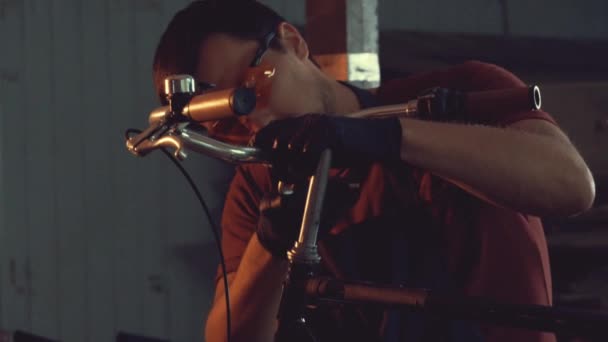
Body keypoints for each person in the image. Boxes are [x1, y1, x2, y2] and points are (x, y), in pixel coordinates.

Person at [152, 1, 596, 341]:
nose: (257, 123)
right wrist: (269, 245)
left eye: (254, 88)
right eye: (227, 123)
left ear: (294, 40)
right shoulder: (259, 188)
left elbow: (571, 186)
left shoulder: (465, 92)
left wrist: (386, 137)